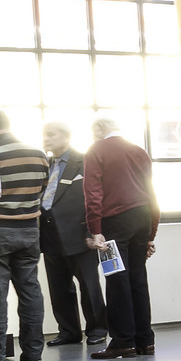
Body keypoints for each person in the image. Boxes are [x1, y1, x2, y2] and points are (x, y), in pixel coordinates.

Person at [83, 117, 159, 360]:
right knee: (138, 278)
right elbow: (152, 191)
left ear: (98, 132)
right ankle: (144, 341)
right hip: (143, 217)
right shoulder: (139, 151)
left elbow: (93, 192)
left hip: (114, 221)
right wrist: (151, 233)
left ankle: (123, 342)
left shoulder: (96, 150)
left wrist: (95, 229)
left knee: (117, 280)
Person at [38, 121, 109, 348]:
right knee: (59, 288)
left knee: (89, 286)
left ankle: (97, 329)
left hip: (80, 235)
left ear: (67, 137)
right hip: (49, 236)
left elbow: (97, 197)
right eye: (44, 135)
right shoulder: (45, 165)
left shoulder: (84, 161)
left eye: (51, 135)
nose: (46, 139)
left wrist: (94, 232)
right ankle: (68, 331)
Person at [0, 109, 50, 361]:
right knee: (30, 291)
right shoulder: (38, 153)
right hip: (30, 230)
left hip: (1, 229)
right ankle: (33, 353)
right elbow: (44, 190)